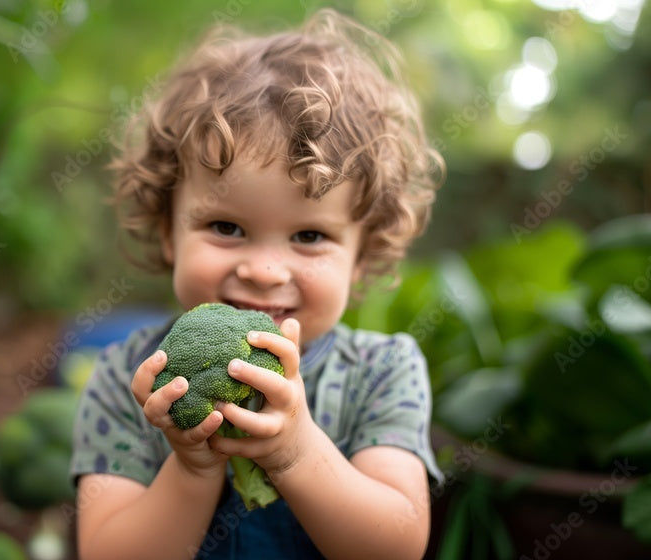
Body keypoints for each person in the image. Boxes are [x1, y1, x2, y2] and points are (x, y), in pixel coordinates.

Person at [70, 8, 444, 559]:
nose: (265, 271)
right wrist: (193, 469)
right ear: (167, 231)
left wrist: (294, 453)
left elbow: (396, 548)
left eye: (310, 235)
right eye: (226, 227)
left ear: (362, 257)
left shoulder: (383, 375)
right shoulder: (125, 381)